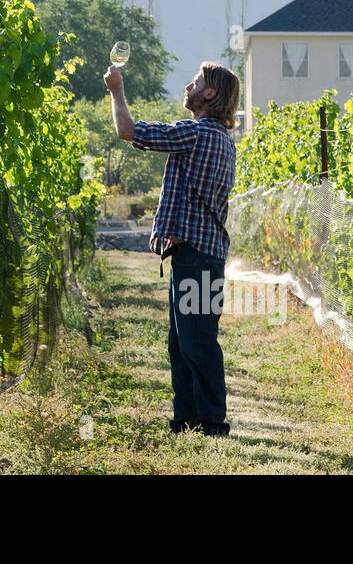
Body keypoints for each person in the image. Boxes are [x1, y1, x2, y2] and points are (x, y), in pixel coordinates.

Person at [103, 60, 240, 438]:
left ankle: (211, 423)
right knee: (183, 344)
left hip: (197, 256)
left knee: (197, 344)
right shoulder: (218, 137)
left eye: (195, 82)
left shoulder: (197, 133)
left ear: (209, 94)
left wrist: (116, 89)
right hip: (197, 256)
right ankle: (187, 421)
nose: (188, 86)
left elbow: (127, 131)